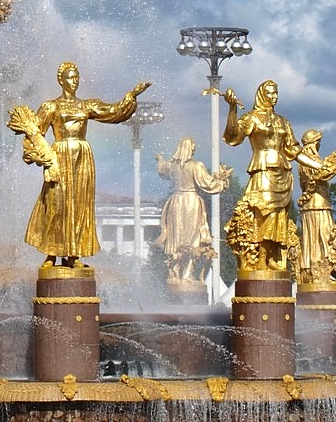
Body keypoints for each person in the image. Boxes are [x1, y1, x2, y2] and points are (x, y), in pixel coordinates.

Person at [22, 62, 151, 268]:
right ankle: (51, 254)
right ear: (61, 80)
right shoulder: (51, 106)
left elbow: (114, 112)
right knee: (57, 203)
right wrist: (41, 157)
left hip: (82, 157)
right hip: (59, 157)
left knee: (79, 205)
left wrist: (131, 96)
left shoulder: (86, 105)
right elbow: (34, 133)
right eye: (71, 78)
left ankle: (74, 254)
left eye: (77, 78)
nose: (75, 82)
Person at [223, 80, 319, 273]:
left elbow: (294, 151)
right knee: (264, 211)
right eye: (270, 93)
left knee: (278, 216)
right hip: (263, 171)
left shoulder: (283, 121)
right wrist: (232, 109)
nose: (274, 97)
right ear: (261, 95)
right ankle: (261, 257)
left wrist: (319, 164)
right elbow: (233, 136)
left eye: (276, 93)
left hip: (283, 173)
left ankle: (273, 255)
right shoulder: (251, 118)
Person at [154, 137, 232, 283]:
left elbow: (162, 169)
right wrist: (222, 182)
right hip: (191, 203)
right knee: (193, 239)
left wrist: (160, 159)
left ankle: (175, 272)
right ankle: (187, 274)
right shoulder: (196, 165)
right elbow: (208, 184)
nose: (195, 149)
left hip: (176, 202)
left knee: (176, 238)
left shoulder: (173, 165)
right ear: (190, 149)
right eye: (194, 147)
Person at [296, 129, 336, 285]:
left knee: (323, 239)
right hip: (316, 205)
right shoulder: (307, 160)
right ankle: (318, 271)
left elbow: (325, 166)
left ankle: (322, 270)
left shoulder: (310, 159)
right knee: (325, 238)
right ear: (313, 143)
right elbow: (323, 172)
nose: (319, 145)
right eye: (318, 142)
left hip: (318, 204)